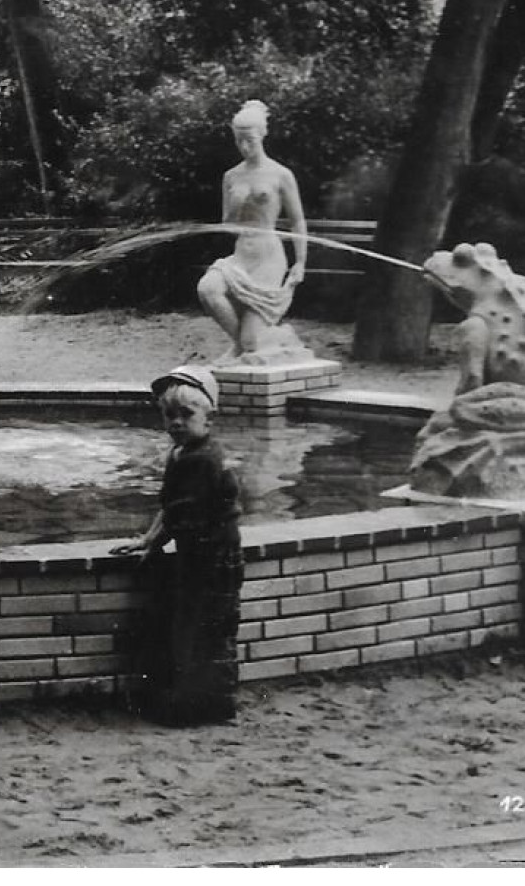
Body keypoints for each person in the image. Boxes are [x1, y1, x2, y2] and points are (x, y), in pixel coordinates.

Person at [114, 365, 244, 726]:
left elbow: (181, 515)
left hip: (216, 557)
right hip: (198, 555)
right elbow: (170, 508)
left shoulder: (203, 460)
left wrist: (154, 547)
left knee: (209, 628)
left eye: (186, 414)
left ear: (209, 418)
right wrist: (146, 539)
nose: (176, 423)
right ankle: (194, 701)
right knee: (192, 625)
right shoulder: (183, 453)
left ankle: (211, 706)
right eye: (169, 415)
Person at [196, 100, 308, 362]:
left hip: (269, 257)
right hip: (241, 255)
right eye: (239, 141)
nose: (244, 147)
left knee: (251, 342)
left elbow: (298, 222)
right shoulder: (231, 176)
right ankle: (243, 346)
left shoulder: (280, 174)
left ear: (262, 136)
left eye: (250, 141)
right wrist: (236, 205)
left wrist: (300, 262)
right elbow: (228, 226)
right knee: (208, 288)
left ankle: (256, 344)